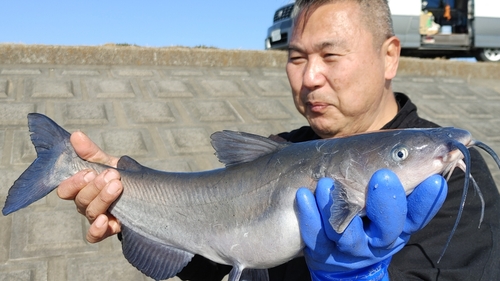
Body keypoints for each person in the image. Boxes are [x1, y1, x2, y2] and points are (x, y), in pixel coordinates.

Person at [57, 0, 500, 280]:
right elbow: (221, 258)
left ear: (389, 56)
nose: (309, 77)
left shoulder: (454, 178)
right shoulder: (278, 148)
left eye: (330, 55)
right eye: (296, 58)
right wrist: (128, 195)